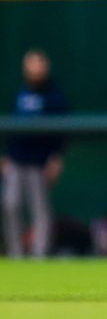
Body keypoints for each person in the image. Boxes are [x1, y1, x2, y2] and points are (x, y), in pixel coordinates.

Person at [2, 48, 68, 258]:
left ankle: (40, 255)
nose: (36, 69)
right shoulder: (20, 92)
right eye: (32, 64)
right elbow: (10, 125)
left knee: (40, 210)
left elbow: (62, 131)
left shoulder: (55, 96)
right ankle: (16, 253)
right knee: (10, 204)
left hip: (39, 162)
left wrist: (56, 158)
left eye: (39, 64)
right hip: (16, 160)